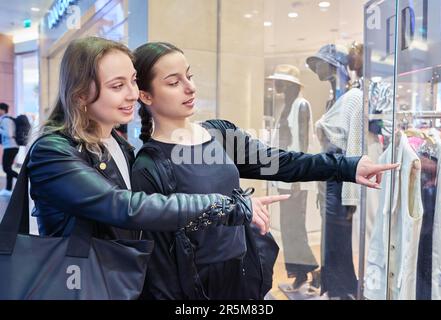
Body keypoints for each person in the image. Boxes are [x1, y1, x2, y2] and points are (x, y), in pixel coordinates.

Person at [131, 42, 399, 300]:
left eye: (189, 76)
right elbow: (161, 262)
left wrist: (348, 166)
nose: (190, 88)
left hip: (245, 272)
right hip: (197, 286)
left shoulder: (219, 134)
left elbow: (282, 162)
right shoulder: (149, 165)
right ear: (145, 95)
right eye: (174, 82)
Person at [27, 37, 284, 298]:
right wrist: (227, 207)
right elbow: (124, 206)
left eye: (133, 80)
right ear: (81, 93)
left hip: (119, 281)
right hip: (81, 284)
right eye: (117, 85)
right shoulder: (52, 152)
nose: (132, 94)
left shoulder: (117, 143)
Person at [267, 65, 320, 295]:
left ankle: (312, 271)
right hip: (284, 177)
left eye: (280, 81)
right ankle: (299, 273)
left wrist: (298, 175)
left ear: (289, 83)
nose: (276, 85)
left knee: (295, 227)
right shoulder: (285, 107)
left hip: (295, 177)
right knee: (289, 228)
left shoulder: (301, 105)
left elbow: (303, 142)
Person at [0, 102, 19, 197]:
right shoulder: (6, 119)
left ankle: (21, 179)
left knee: (6, 168)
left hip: (10, 146)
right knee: (8, 168)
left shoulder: (5, 120)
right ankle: (8, 189)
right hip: (11, 146)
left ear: (2, 110)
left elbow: (9, 134)